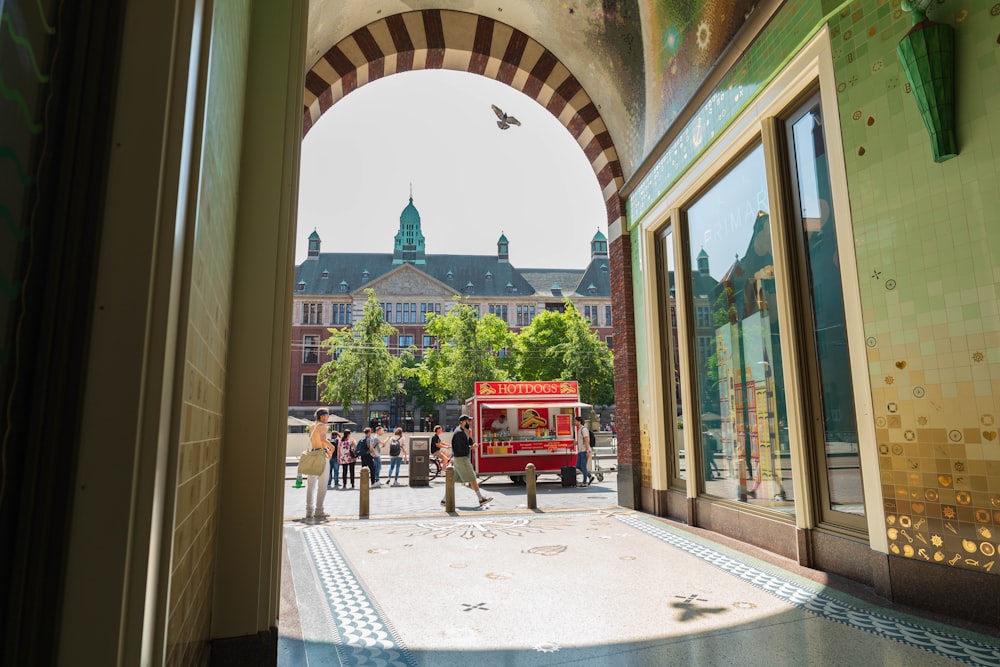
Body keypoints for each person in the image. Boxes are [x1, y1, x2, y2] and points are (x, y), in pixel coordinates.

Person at [442, 414, 492, 507]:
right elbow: (462, 447)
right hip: (462, 459)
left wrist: (471, 440)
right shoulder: (459, 433)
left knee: (453, 479)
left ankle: (444, 500)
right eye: (468, 421)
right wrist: (471, 446)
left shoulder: (462, 431)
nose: (469, 422)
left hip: (458, 458)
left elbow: (467, 442)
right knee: (472, 477)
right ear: (463, 422)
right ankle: (481, 499)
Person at [306, 408, 333, 520]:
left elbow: (313, 441)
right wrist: (332, 447)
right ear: (322, 416)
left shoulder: (312, 426)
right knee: (322, 484)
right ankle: (319, 510)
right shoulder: (323, 427)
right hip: (322, 455)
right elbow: (323, 440)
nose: (328, 417)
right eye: (327, 415)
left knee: (311, 484)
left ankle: (309, 510)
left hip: (312, 454)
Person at [574, 415, 592, 487]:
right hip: (580, 451)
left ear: (579, 422)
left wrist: (588, 451)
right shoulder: (579, 430)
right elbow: (578, 441)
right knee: (578, 466)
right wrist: (570, 445)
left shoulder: (584, 430)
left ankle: (584, 482)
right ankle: (590, 476)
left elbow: (587, 441)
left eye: (575, 421)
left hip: (584, 451)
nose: (574, 422)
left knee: (583, 466)